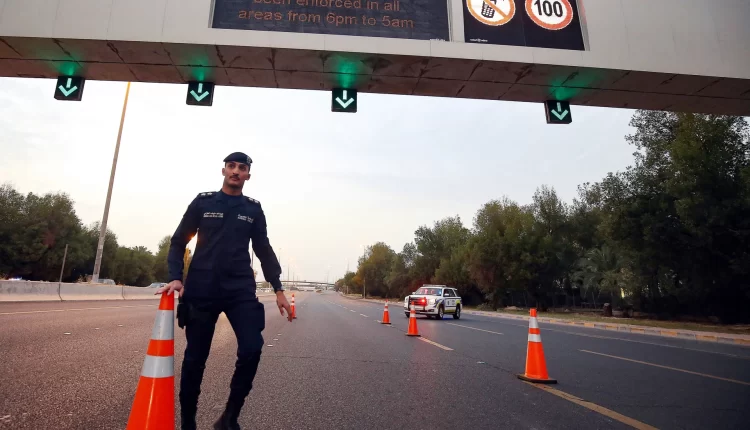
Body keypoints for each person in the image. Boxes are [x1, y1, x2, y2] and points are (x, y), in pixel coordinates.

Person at [156, 152, 292, 430]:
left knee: (252, 348)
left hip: (239, 289)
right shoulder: (203, 202)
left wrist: (278, 288)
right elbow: (179, 241)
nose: (236, 171)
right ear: (223, 171)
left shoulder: (253, 210)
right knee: (195, 359)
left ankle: (229, 418)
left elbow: (263, 249)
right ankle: (188, 423)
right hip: (202, 289)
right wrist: (176, 278)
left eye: (242, 168)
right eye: (231, 166)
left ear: (248, 175)